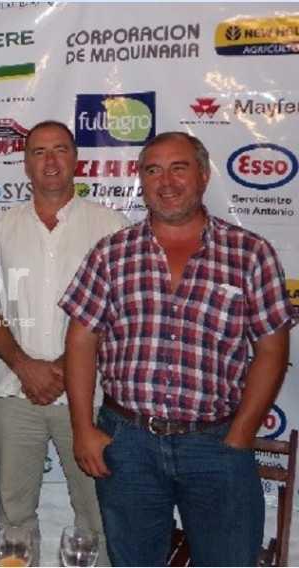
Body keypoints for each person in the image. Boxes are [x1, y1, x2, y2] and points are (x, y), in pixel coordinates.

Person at [59, 131, 293, 566]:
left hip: (217, 443)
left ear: (203, 175)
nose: (166, 182)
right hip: (127, 442)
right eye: (153, 171)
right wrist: (82, 428)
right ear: (141, 181)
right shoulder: (112, 253)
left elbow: (272, 348)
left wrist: (241, 433)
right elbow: (80, 341)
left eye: (178, 168)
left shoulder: (249, 254)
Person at [0, 120, 123, 566]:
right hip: (13, 391)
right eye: (39, 151)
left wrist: (64, 370)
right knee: (14, 519)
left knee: (96, 515)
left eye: (60, 149)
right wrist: (25, 366)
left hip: (87, 397)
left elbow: (122, 310)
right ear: (25, 163)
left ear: (76, 159)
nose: (50, 161)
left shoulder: (110, 226)